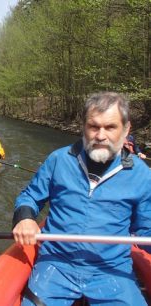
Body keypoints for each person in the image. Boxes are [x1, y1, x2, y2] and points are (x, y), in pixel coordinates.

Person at [12, 92, 151, 306]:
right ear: (84, 127)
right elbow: (29, 197)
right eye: (94, 126)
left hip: (111, 269)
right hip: (56, 264)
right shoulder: (58, 160)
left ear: (126, 129)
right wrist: (25, 218)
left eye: (110, 127)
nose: (100, 135)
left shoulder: (141, 174)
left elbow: (145, 228)